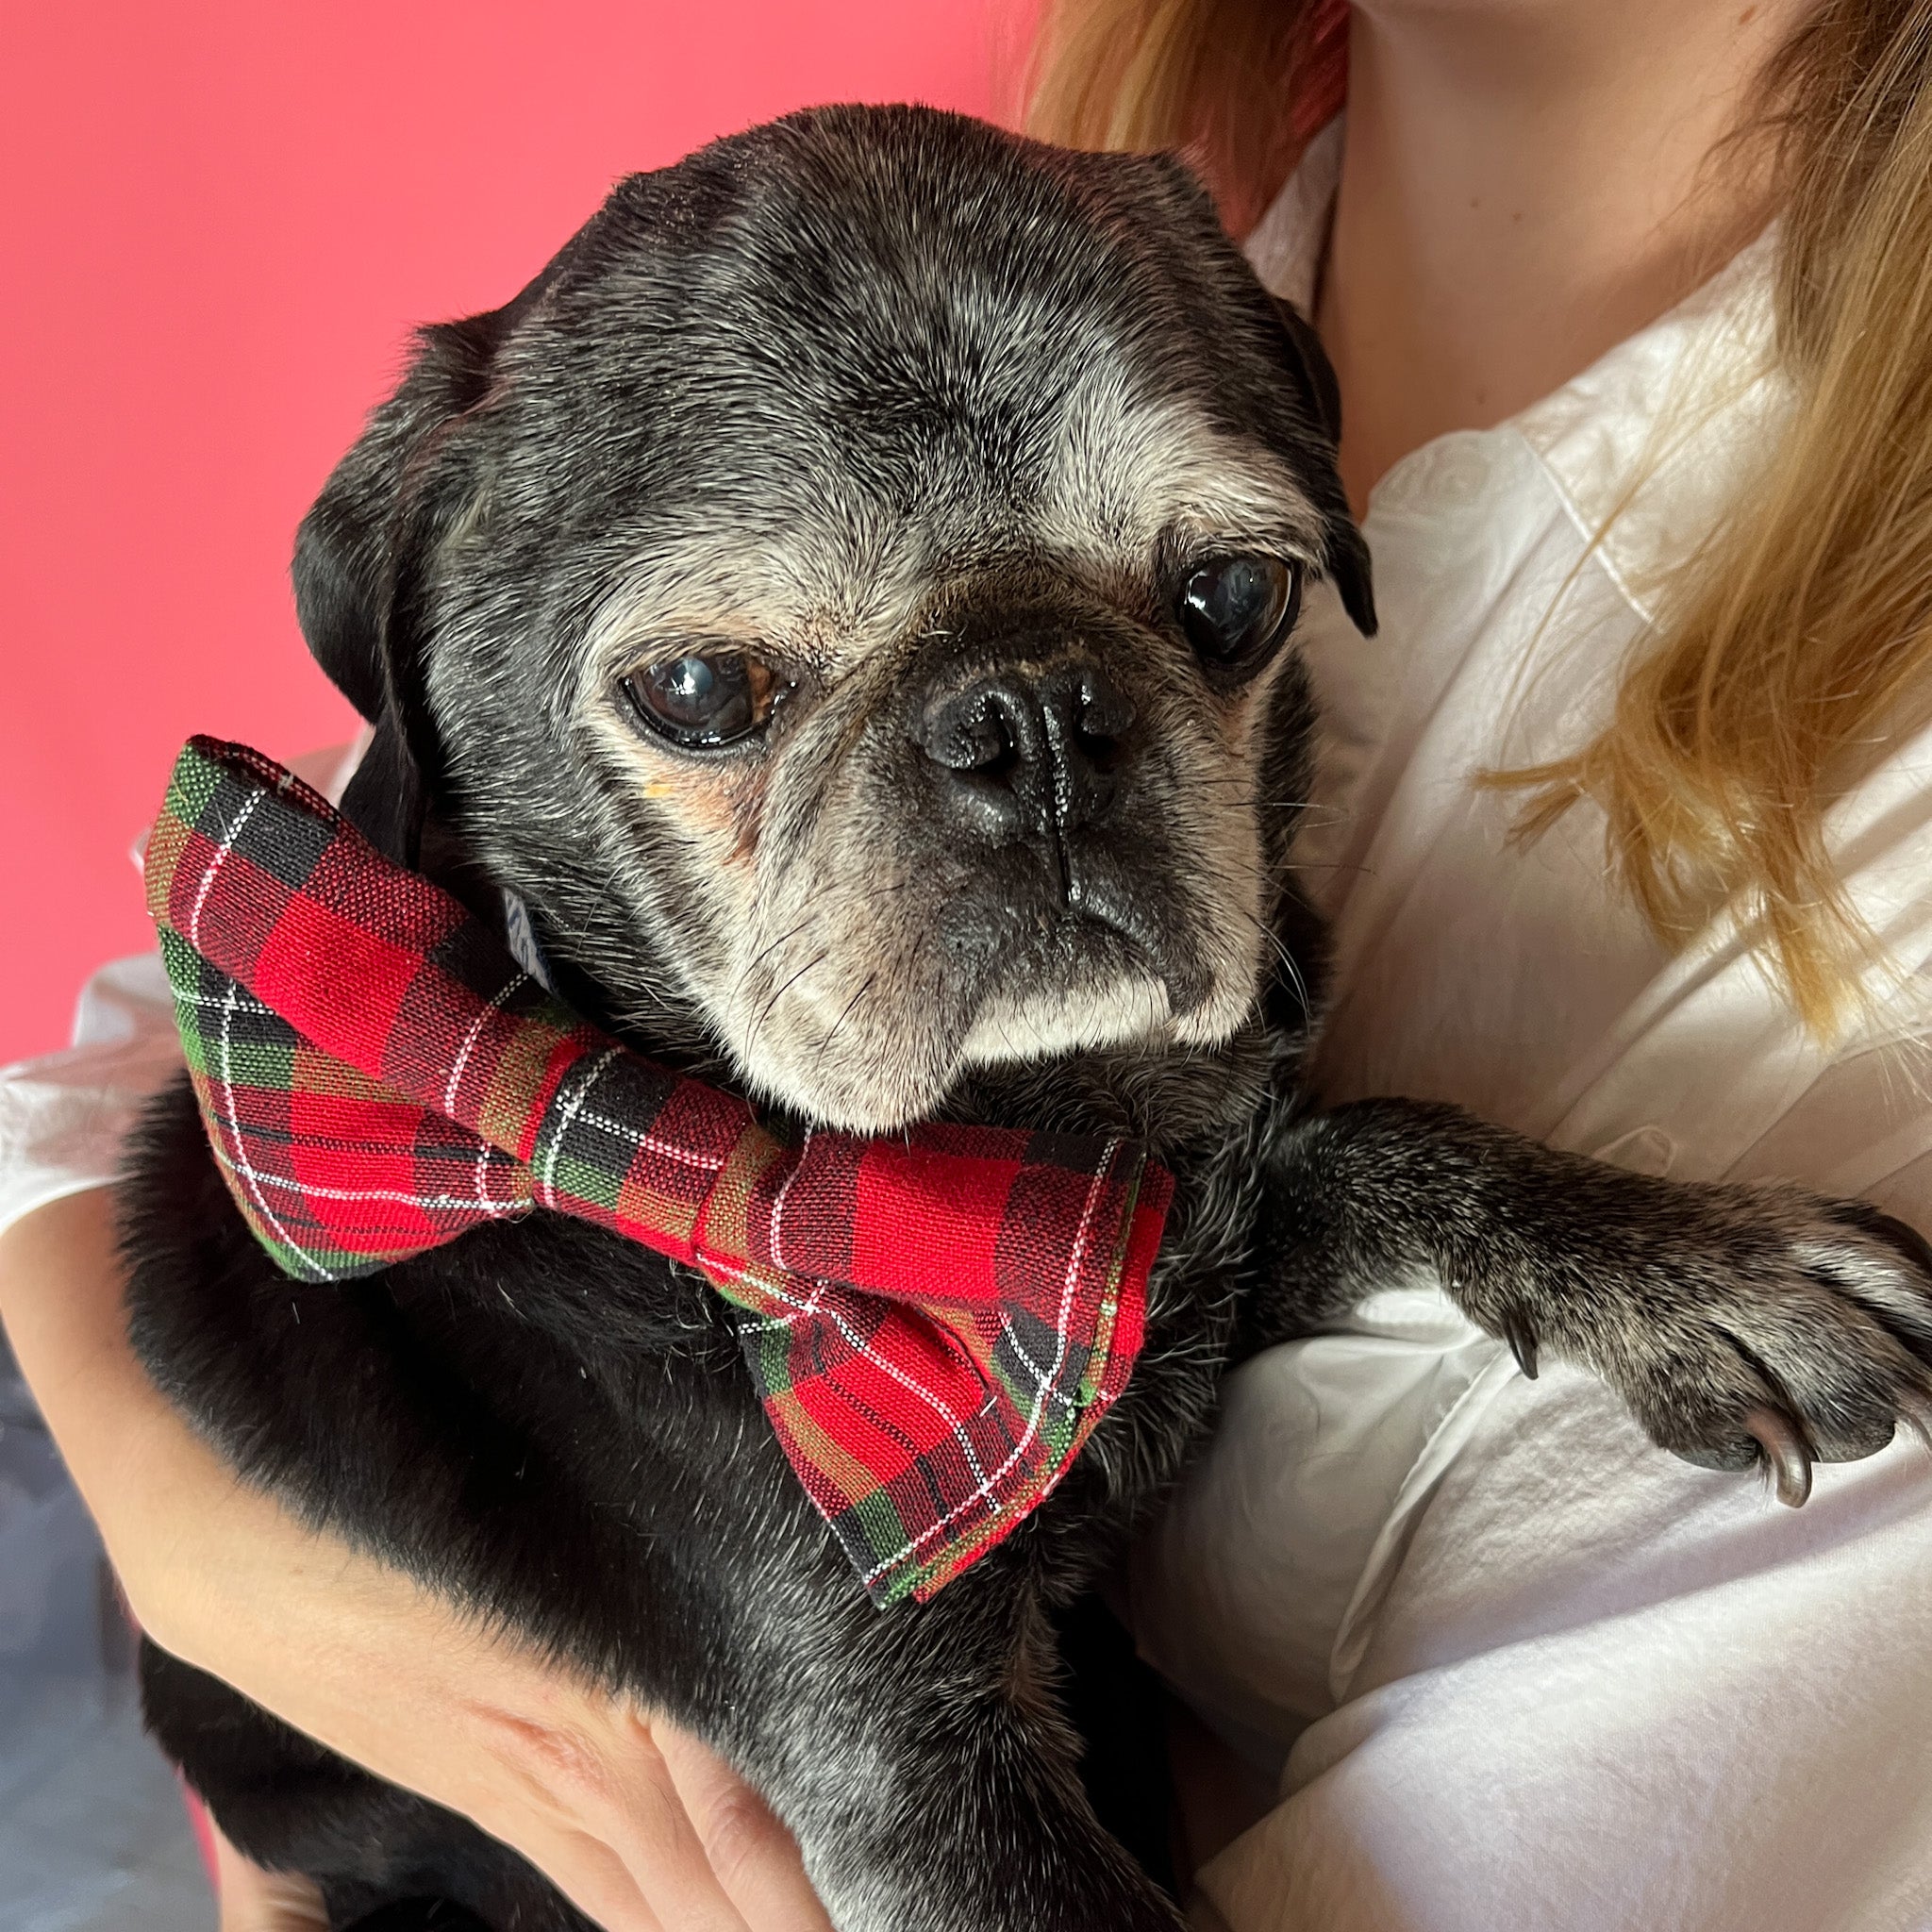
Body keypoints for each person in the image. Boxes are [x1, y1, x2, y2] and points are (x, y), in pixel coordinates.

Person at [5, 0, 1932, 1924]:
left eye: (1210, 598)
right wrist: (173, 1498)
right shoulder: (1159, 263)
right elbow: (118, 1053)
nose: (1032, 773)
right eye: (717, 689)